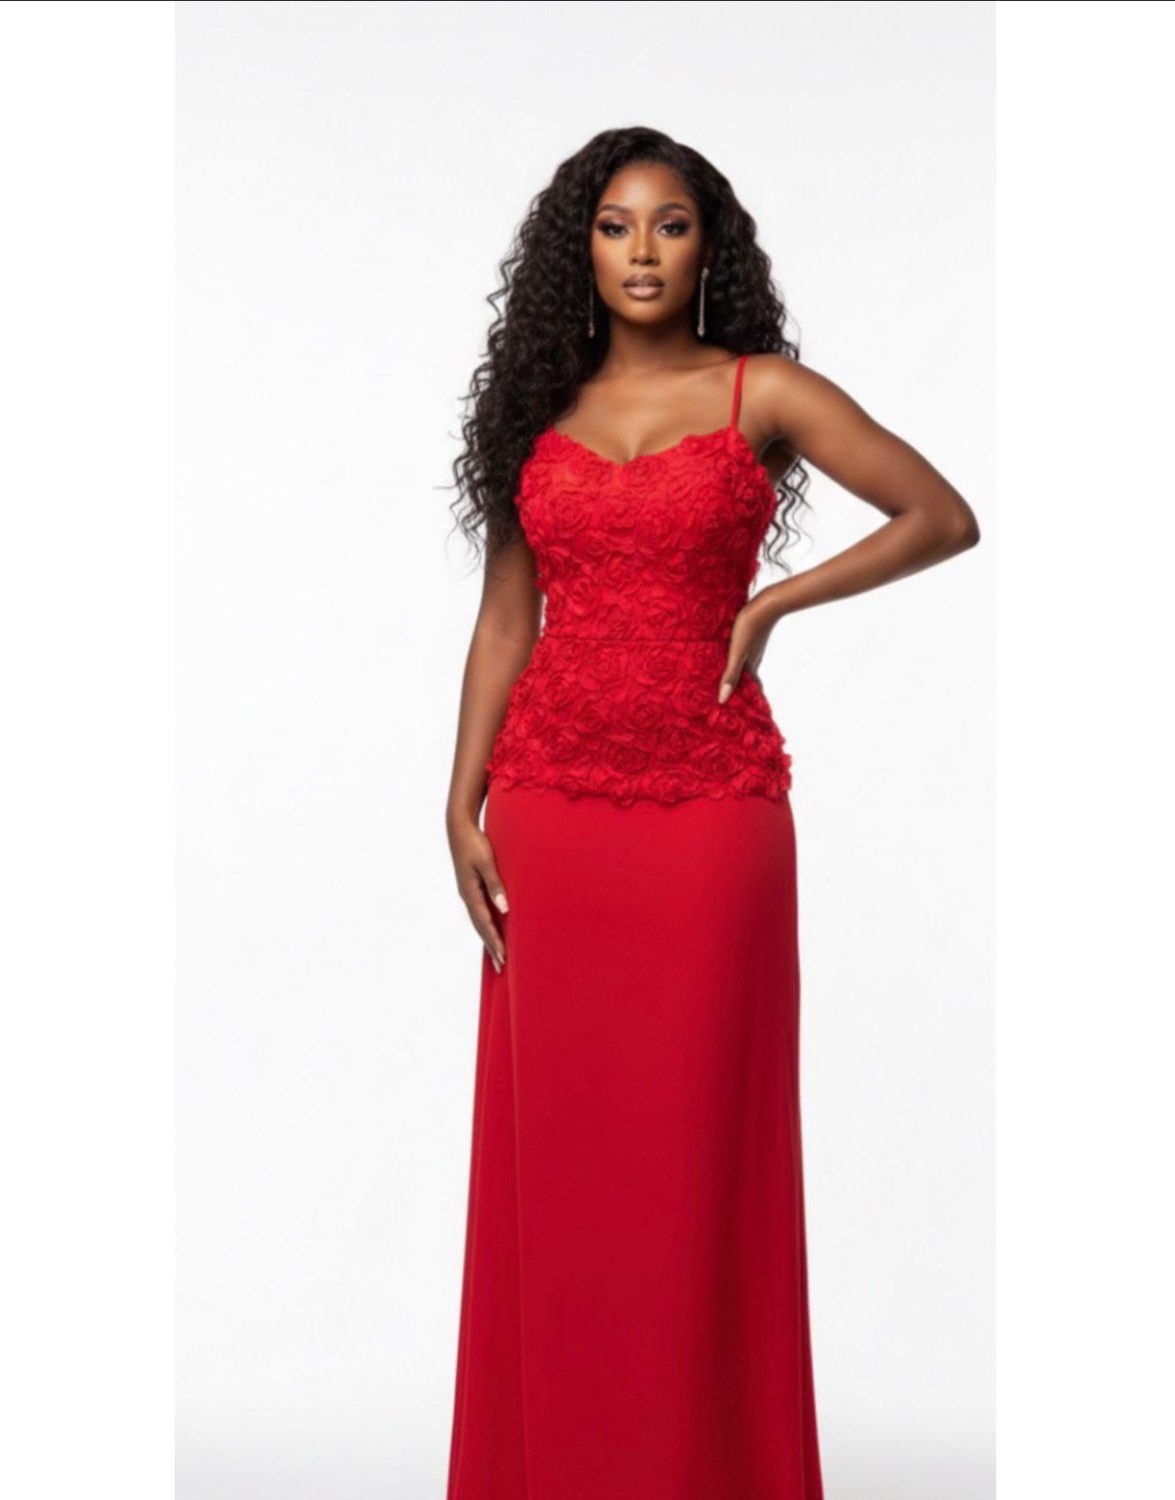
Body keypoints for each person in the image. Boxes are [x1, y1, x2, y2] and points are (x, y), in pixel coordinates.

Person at [442, 125, 979, 1500]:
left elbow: (939, 514)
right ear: (579, 247)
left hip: (709, 819)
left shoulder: (761, 391)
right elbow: (506, 619)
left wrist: (777, 598)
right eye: (615, 225)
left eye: (670, 226)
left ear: (707, 248)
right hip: (551, 811)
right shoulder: (538, 415)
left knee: (691, 1158)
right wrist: (459, 799)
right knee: (566, 1162)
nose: (641, 251)